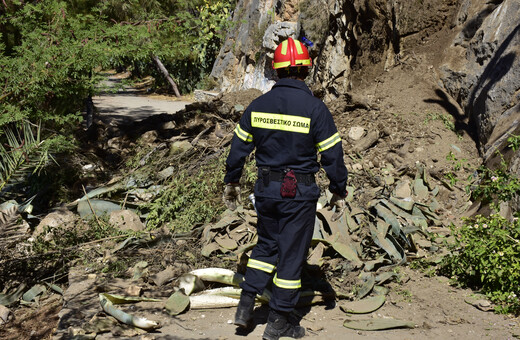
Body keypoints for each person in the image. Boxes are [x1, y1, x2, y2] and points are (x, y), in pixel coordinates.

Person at [223, 37, 348, 340]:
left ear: (275, 70)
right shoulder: (315, 109)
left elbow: (238, 148)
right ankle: (279, 321)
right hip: (298, 194)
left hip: (265, 191)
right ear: (306, 69)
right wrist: (338, 187)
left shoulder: (258, 106)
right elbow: (332, 154)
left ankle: (245, 304)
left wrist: (233, 181)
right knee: (291, 256)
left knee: (266, 246)